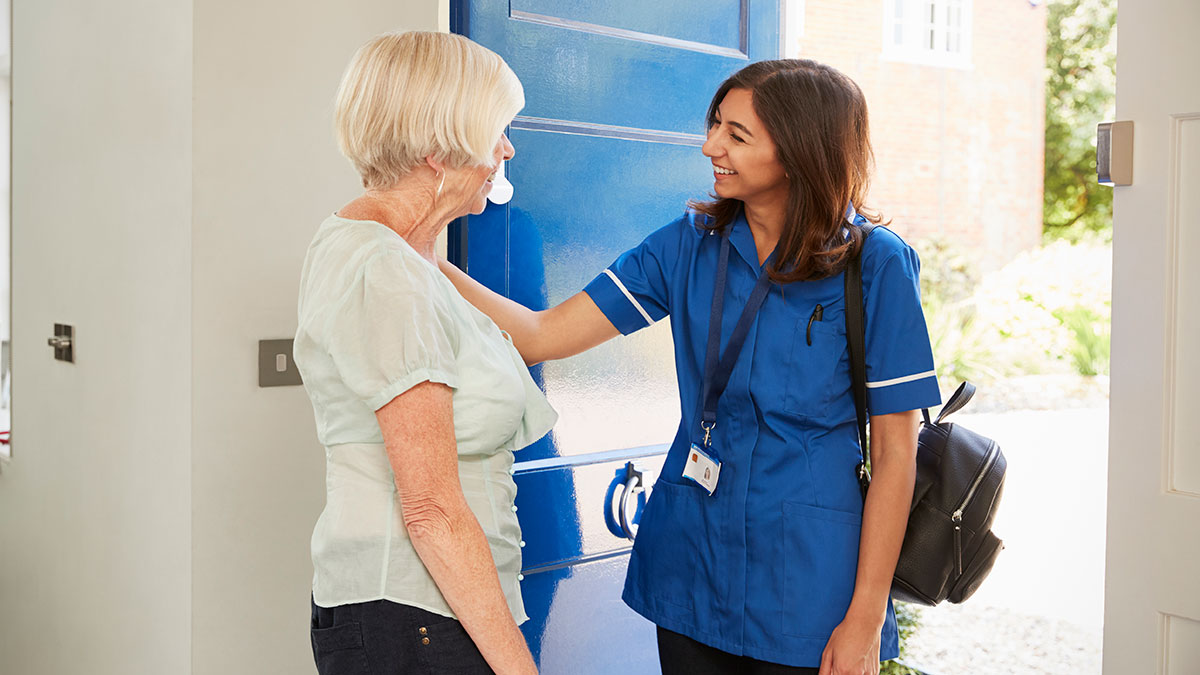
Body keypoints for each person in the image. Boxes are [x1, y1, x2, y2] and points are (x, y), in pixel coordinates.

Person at [439, 59, 941, 675]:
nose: (710, 147)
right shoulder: (689, 243)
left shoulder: (875, 265)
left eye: (736, 134)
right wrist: (413, 253)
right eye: (715, 126)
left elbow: (896, 454)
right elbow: (542, 335)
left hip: (810, 588)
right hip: (692, 568)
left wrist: (864, 616)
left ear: (800, 149)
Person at [294, 31, 554, 675]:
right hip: (416, 614)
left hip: (422, 611)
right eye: (497, 131)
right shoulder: (389, 274)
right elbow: (431, 511)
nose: (506, 151)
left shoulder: (391, 252)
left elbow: (530, 331)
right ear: (441, 149)